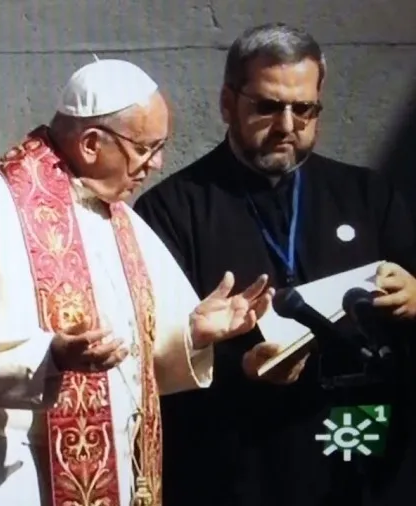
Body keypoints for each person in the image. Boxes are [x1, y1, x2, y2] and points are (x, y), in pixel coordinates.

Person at [0, 59, 275, 506]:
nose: (156, 164)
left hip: (111, 470)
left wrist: (191, 333)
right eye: (146, 148)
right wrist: (51, 358)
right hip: (4, 474)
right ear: (92, 143)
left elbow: (130, 364)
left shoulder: (119, 218)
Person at [133, 22, 416, 506]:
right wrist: (238, 366)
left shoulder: (368, 195)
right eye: (267, 107)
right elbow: (151, 351)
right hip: (238, 466)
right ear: (228, 104)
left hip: (359, 448)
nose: (287, 125)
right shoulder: (171, 211)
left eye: (304, 109)